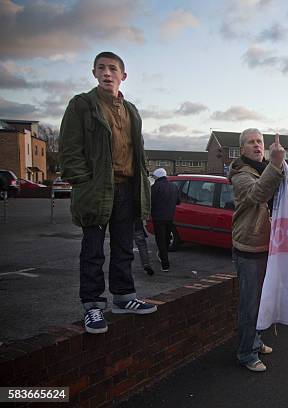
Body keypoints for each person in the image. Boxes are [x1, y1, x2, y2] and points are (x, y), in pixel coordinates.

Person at [59, 51, 156, 334]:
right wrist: (84, 182)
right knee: (92, 250)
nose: (107, 73)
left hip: (127, 188)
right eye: (101, 68)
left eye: (112, 68)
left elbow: (138, 151)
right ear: (94, 73)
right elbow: (69, 150)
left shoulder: (132, 110)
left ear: (122, 76)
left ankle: (124, 298)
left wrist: (144, 179)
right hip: (97, 190)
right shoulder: (82, 105)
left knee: (124, 247)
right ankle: (92, 306)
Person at [228, 128, 285, 372]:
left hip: (266, 245)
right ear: (242, 149)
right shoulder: (241, 175)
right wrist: (276, 165)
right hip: (248, 247)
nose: (257, 145)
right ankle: (245, 353)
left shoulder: (263, 169)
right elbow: (258, 193)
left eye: (260, 141)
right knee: (250, 305)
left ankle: (255, 340)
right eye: (251, 142)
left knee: (262, 301)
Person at [150, 168, 180, 273]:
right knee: (167, 239)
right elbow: (178, 202)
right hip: (170, 217)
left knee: (160, 240)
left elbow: (150, 202)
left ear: (157, 177)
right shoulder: (174, 187)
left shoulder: (154, 187)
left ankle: (165, 265)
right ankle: (163, 256)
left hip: (158, 218)